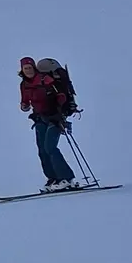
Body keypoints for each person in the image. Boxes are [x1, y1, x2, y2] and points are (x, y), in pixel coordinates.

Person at [19, 56, 79, 191]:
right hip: (40, 118)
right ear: (22, 70)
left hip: (55, 118)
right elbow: (25, 101)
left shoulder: (45, 79)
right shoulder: (24, 85)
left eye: (30, 67)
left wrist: (59, 109)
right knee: (42, 150)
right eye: (25, 68)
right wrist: (24, 106)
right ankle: (53, 179)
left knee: (50, 148)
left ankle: (67, 178)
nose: (28, 70)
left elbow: (61, 95)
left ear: (34, 67)